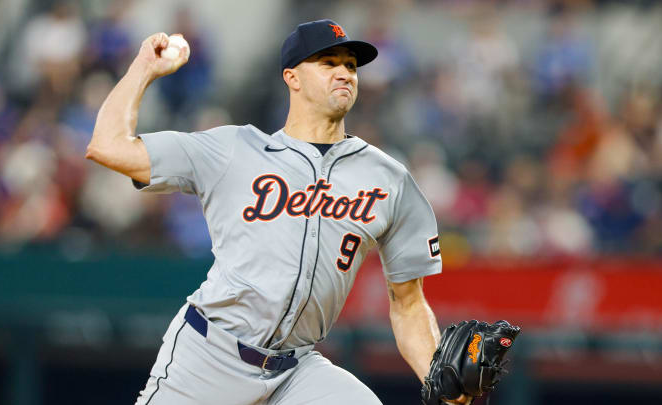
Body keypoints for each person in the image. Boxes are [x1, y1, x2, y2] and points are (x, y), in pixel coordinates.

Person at [86, 19, 470, 405]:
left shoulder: (389, 178)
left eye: (351, 66)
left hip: (296, 371)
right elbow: (109, 146)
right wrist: (143, 69)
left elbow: (408, 303)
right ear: (292, 77)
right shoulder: (233, 149)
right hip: (210, 356)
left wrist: (442, 383)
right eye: (328, 62)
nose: (344, 73)